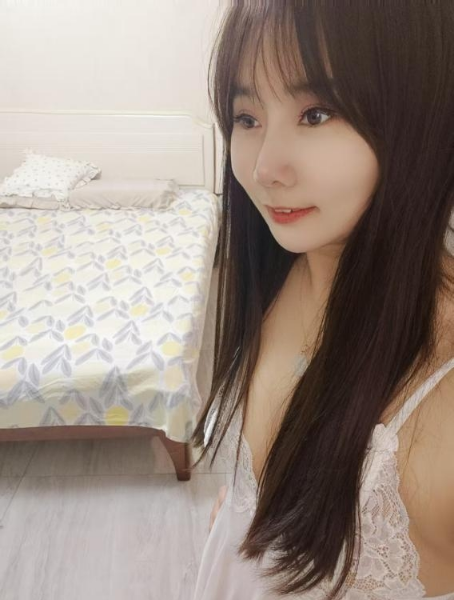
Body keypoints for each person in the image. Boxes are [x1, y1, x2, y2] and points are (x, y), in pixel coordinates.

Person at [190, 1, 454, 598]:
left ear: (421, 115)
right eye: (247, 116)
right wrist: (242, 508)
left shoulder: (441, 396)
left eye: (316, 113)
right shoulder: (280, 267)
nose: (264, 168)